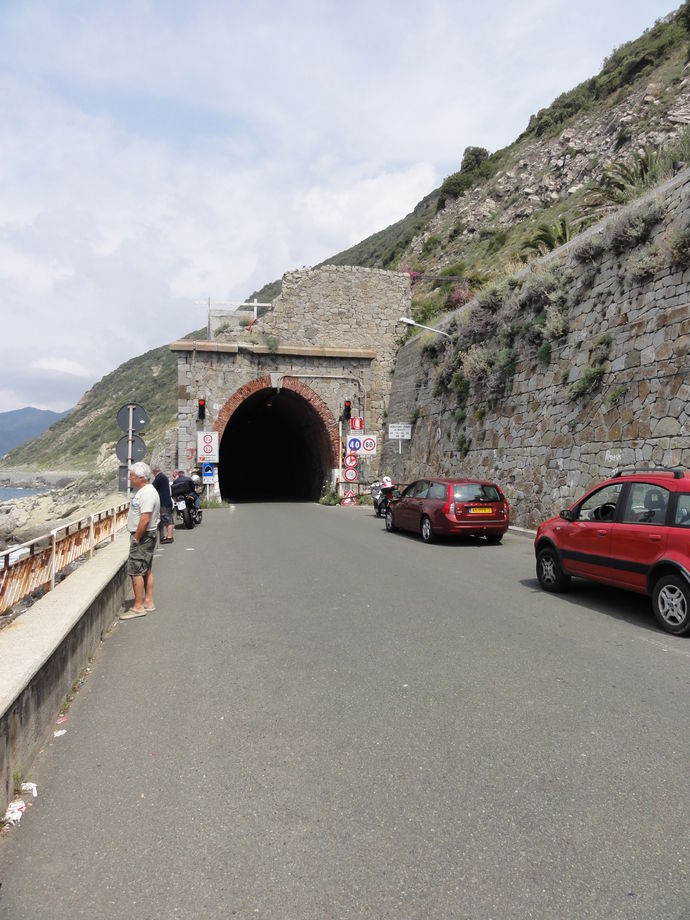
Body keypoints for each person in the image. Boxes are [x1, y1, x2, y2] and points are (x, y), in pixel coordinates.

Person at [120, 461, 160, 620]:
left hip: (143, 536)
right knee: (146, 569)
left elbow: (145, 518)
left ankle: (138, 607)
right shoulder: (147, 490)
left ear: (141, 478)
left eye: (132, 476)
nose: (130, 478)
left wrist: (136, 538)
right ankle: (148, 601)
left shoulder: (147, 493)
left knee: (136, 570)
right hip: (147, 535)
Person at [152, 465, 174, 543]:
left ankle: (169, 537)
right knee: (168, 519)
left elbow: (152, 487)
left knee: (167, 520)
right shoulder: (163, 477)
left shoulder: (159, 477)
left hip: (164, 502)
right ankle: (168, 536)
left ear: (154, 472)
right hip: (167, 501)